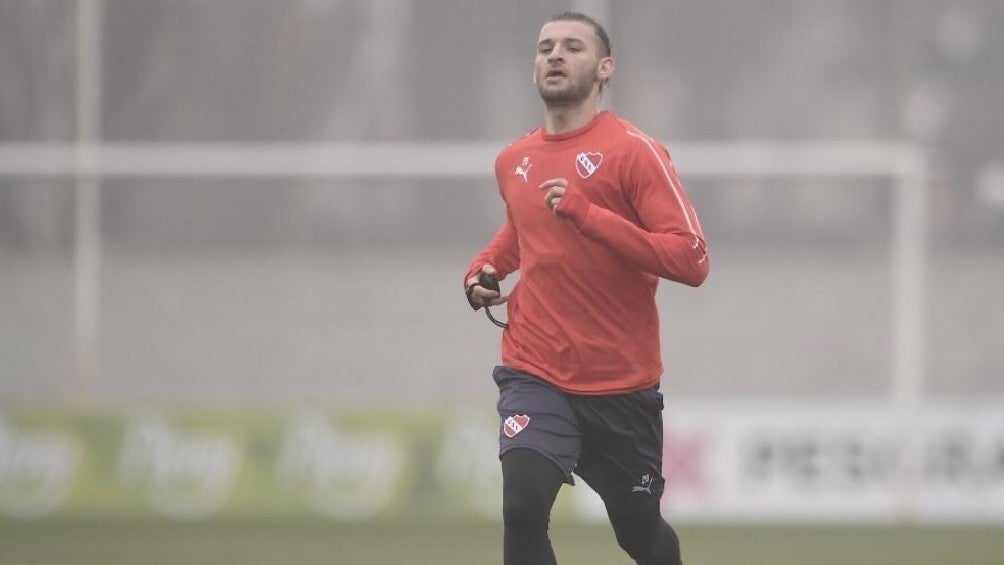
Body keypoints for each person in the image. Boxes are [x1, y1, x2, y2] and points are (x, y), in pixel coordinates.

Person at [462, 11, 709, 565]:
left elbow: (692, 260)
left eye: (572, 47)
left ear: (604, 69)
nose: (554, 55)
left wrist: (589, 214)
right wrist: (483, 270)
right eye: (545, 47)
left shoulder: (634, 151)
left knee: (639, 535)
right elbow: (521, 231)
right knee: (522, 508)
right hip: (535, 369)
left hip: (620, 386)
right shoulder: (514, 160)